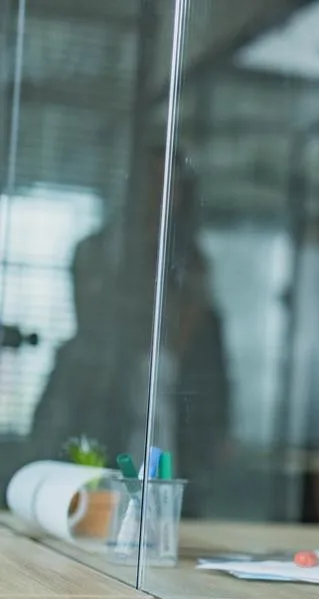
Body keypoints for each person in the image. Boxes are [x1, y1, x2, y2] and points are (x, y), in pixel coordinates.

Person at [28, 147, 231, 515]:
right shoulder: (96, 251)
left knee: (170, 509)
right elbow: (99, 325)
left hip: (176, 398)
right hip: (103, 400)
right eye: (152, 182)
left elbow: (207, 341)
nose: (161, 194)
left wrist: (218, 423)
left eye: (172, 185)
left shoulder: (193, 261)